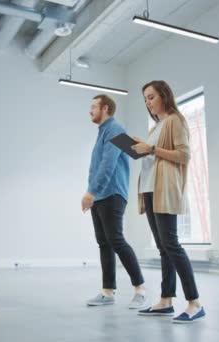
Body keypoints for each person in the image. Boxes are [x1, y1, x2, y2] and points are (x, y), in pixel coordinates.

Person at [131, 80, 205, 323]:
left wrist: (151, 148)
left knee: (171, 244)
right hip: (151, 188)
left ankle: (195, 302)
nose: (148, 102)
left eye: (151, 96)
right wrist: (139, 147)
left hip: (164, 189)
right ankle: (165, 300)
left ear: (164, 95)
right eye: (145, 99)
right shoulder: (158, 126)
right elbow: (153, 152)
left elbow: (184, 155)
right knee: (163, 248)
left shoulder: (175, 120)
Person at [82, 94, 147, 309]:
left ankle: (140, 289)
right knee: (104, 243)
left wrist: (91, 192)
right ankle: (107, 291)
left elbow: (108, 165)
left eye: (94, 107)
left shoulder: (115, 129)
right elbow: (111, 160)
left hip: (112, 194)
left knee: (116, 240)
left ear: (106, 109)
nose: (90, 110)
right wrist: (93, 193)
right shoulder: (104, 132)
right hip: (100, 196)